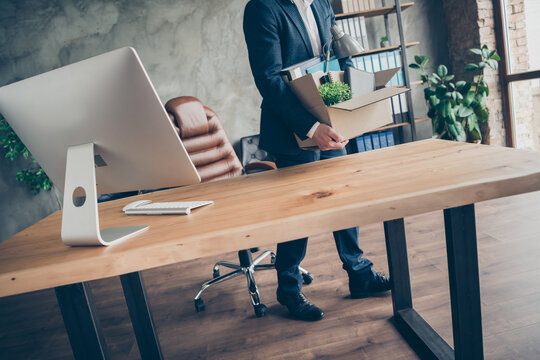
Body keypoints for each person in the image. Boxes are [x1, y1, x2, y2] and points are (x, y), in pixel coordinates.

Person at [243, 0, 390, 321]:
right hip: (290, 127)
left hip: (331, 118)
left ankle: (360, 274)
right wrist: (311, 127)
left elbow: (336, 58)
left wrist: (348, 115)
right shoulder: (262, 8)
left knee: (343, 199)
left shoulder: (322, 4)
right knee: (301, 210)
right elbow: (269, 79)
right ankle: (289, 289)